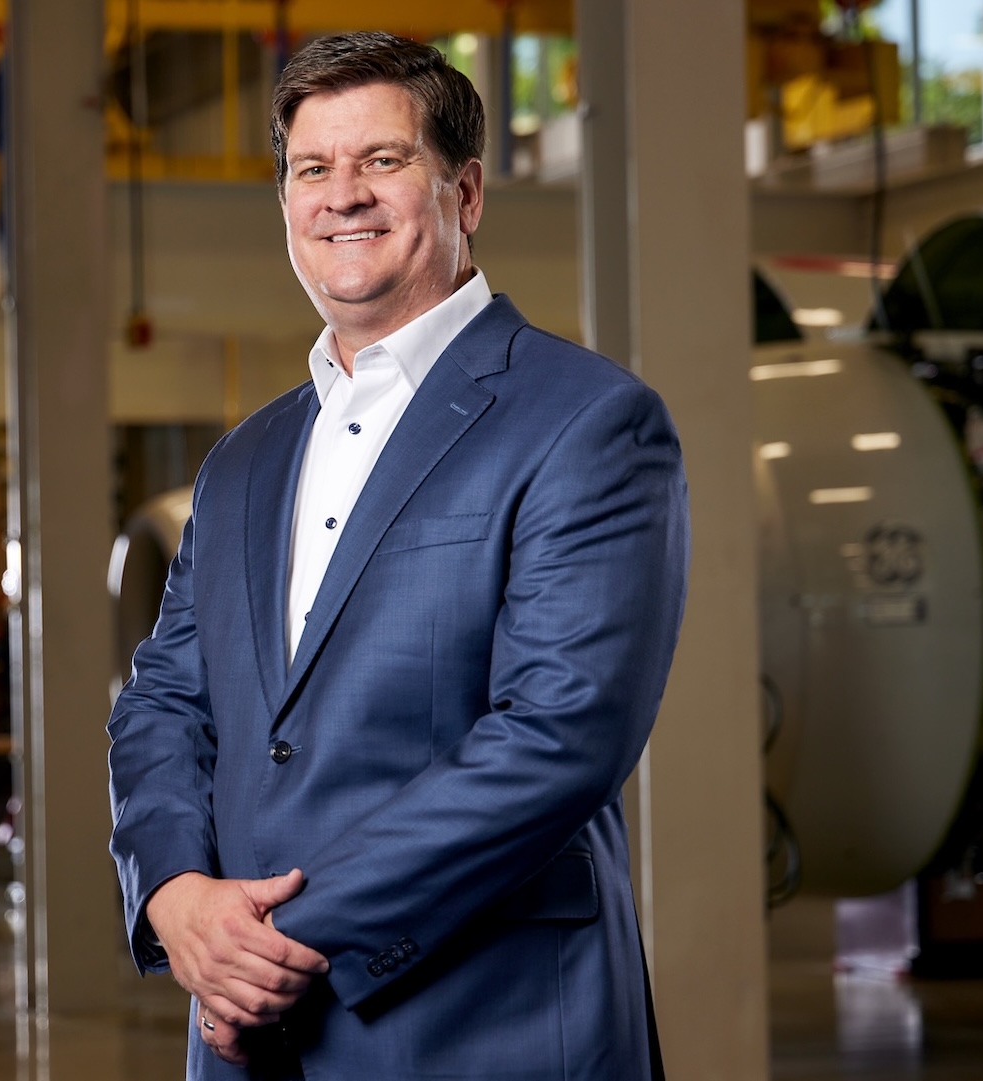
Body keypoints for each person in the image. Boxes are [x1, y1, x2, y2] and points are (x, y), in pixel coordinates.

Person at [108, 30, 689, 1080]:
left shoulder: (587, 421)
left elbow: (558, 736)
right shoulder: (245, 458)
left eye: (382, 162)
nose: (343, 195)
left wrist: (270, 942)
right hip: (250, 1039)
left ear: (464, 194)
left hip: (483, 1021)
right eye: (311, 169)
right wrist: (175, 895)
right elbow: (163, 701)